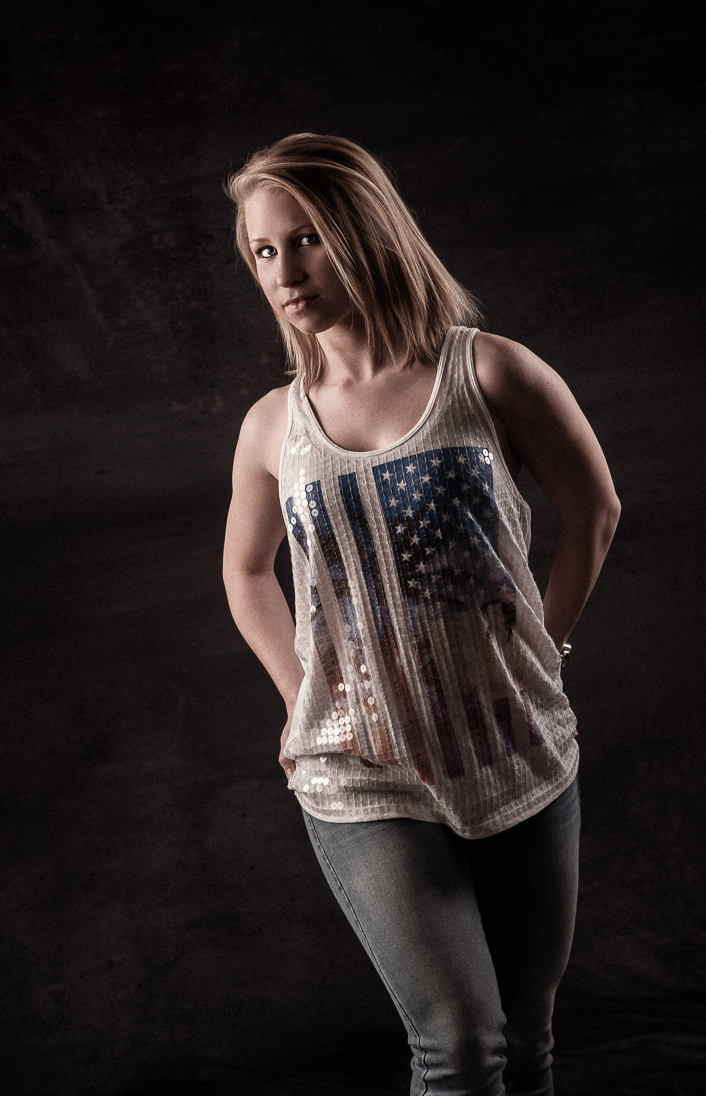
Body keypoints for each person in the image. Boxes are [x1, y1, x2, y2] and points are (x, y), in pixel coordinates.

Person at [222, 132, 620, 1096]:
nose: (285, 271)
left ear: (364, 231)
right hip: (361, 773)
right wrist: (301, 696)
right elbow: (245, 572)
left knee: (526, 1042)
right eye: (264, 251)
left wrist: (546, 650)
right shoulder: (276, 425)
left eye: (305, 239)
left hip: (513, 747)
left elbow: (594, 509)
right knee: (458, 1044)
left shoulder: (488, 373)